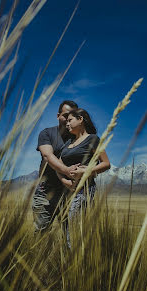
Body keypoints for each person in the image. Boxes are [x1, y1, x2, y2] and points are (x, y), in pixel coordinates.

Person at [57, 108, 111, 247]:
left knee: (75, 230)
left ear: (80, 119)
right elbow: (58, 166)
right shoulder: (68, 143)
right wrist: (65, 180)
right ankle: (67, 263)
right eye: (66, 121)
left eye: (70, 120)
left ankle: (77, 263)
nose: (67, 124)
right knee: (65, 228)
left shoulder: (92, 139)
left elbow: (106, 164)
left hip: (83, 190)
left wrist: (86, 171)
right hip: (65, 192)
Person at [32, 100, 79, 232]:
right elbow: (47, 156)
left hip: (70, 194)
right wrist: (66, 170)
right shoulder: (47, 133)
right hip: (45, 192)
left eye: (73, 116)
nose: (68, 119)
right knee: (41, 235)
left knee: (71, 238)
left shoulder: (79, 138)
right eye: (65, 115)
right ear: (58, 115)